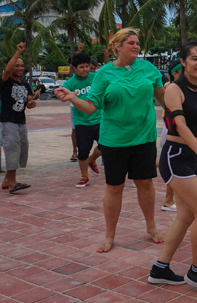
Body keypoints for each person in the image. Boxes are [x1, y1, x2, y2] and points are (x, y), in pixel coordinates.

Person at [55, 28, 166, 253]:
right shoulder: (104, 74)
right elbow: (91, 107)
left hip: (144, 137)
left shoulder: (149, 69)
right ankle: (110, 235)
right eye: (131, 43)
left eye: (137, 42)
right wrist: (73, 98)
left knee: (145, 184)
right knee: (115, 188)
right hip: (114, 140)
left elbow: (164, 100)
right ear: (117, 46)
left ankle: (151, 227)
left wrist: (179, 120)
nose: (136, 46)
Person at [148, 41, 197, 293]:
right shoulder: (173, 89)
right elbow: (179, 124)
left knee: (187, 215)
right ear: (183, 62)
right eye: (194, 58)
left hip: (190, 156)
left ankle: (160, 269)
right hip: (175, 155)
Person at [0, 43, 37, 194]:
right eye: (17, 65)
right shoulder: (6, 81)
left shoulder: (26, 85)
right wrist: (18, 52)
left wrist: (31, 103)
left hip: (21, 121)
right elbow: (7, 69)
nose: (20, 68)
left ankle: (7, 180)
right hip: (8, 121)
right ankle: (12, 183)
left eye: (22, 66)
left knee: (21, 148)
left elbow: (29, 102)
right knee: (12, 149)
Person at [62, 53, 102, 187]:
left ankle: (92, 159)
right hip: (82, 122)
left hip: (100, 119)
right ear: (73, 68)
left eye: (87, 67)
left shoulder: (95, 77)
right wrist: (61, 94)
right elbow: (62, 93)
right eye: (81, 67)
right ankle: (84, 176)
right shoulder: (70, 83)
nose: (85, 70)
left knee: (107, 145)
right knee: (83, 151)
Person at [158, 60, 183, 212]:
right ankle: (168, 200)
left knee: (172, 164)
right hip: (171, 131)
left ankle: (171, 199)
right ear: (175, 73)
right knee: (174, 165)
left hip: (172, 130)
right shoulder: (170, 87)